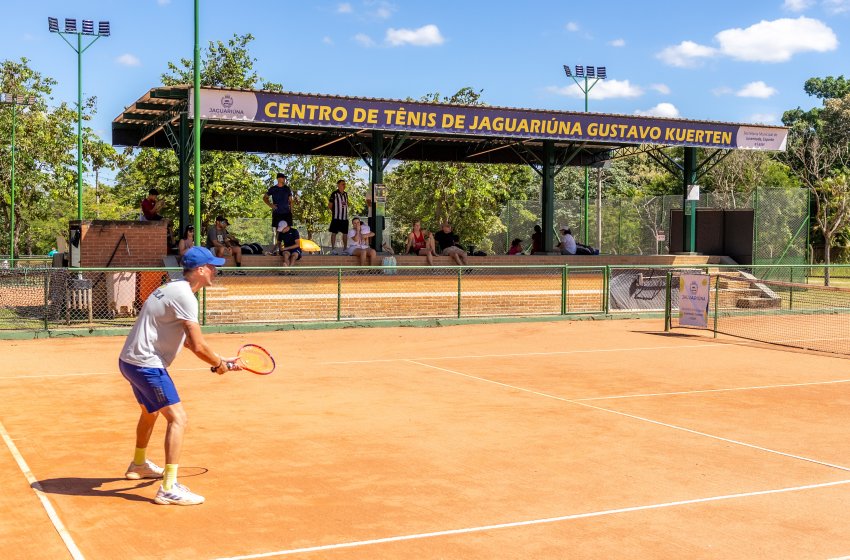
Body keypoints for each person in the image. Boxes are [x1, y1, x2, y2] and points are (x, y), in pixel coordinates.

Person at [118, 246, 241, 506]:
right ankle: (169, 487)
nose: (215, 271)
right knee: (178, 419)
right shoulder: (186, 296)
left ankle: (138, 464)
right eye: (212, 267)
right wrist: (219, 365)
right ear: (199, 270)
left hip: (129, 361)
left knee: (149, 413)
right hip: (147, 365)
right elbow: (197, 346)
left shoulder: (174, 288)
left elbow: (187, 343)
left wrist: (222, 360)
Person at [263, 173, 293, 246]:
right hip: (277, 213)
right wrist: (271, 205)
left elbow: (291, 200)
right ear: (279, 179)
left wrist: (291, 211)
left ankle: (287, 247)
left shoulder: (287, 188)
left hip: (287, 213)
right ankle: (278, 248)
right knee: (278, 231)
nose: (284, 179)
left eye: (285, 178)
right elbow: (264, 197)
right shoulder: (273, 189)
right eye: (283, 178)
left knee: (288, 230)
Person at [328, 179, 349, 255]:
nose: (344, 185)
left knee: (345, 233)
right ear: (338, 185)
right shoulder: (334, 194)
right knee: (334, 232)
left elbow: (346, 204)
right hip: (336, 217)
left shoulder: (346, 194)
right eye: (343, 184)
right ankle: (333, 249)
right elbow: (330, 205)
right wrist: (335, 212)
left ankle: (345, 249)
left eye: (344, 184)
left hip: (345, 217)